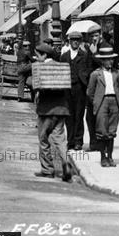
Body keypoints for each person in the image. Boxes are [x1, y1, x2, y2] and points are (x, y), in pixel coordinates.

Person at [33, 43, 72, 182]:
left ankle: (47, 170)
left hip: (46, 110)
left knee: (43, 139)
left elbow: (36, 87)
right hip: (61, 108)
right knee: (60, 139)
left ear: (44, 55)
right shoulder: (62, 66)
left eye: (38, 56)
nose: (37, 59)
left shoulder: (40, 68)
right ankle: (66, 164)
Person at [86, 45, 119, 167]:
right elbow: (90, 92)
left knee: (112, 130)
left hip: (114, 101)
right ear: (102, 61)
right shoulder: (96, 74)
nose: (110, 61)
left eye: (111, 59)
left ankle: (110, 157)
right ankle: (103, 157)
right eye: (107, 59)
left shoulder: (116, 73)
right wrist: (96, 102)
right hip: (102, 102)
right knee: (102, 130)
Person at [60, 32, 93, 151]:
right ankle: (70, 140)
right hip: (67, 88)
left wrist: (84, 76)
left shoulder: (84, 55)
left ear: (80, 42)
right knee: (69, 115)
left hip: (79, 87)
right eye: (73, 40)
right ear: (69, 41)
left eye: (77, 40)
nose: (75, 42)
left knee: (79, 114)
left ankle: (78, 141)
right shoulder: (64, 56)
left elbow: (90, 68)